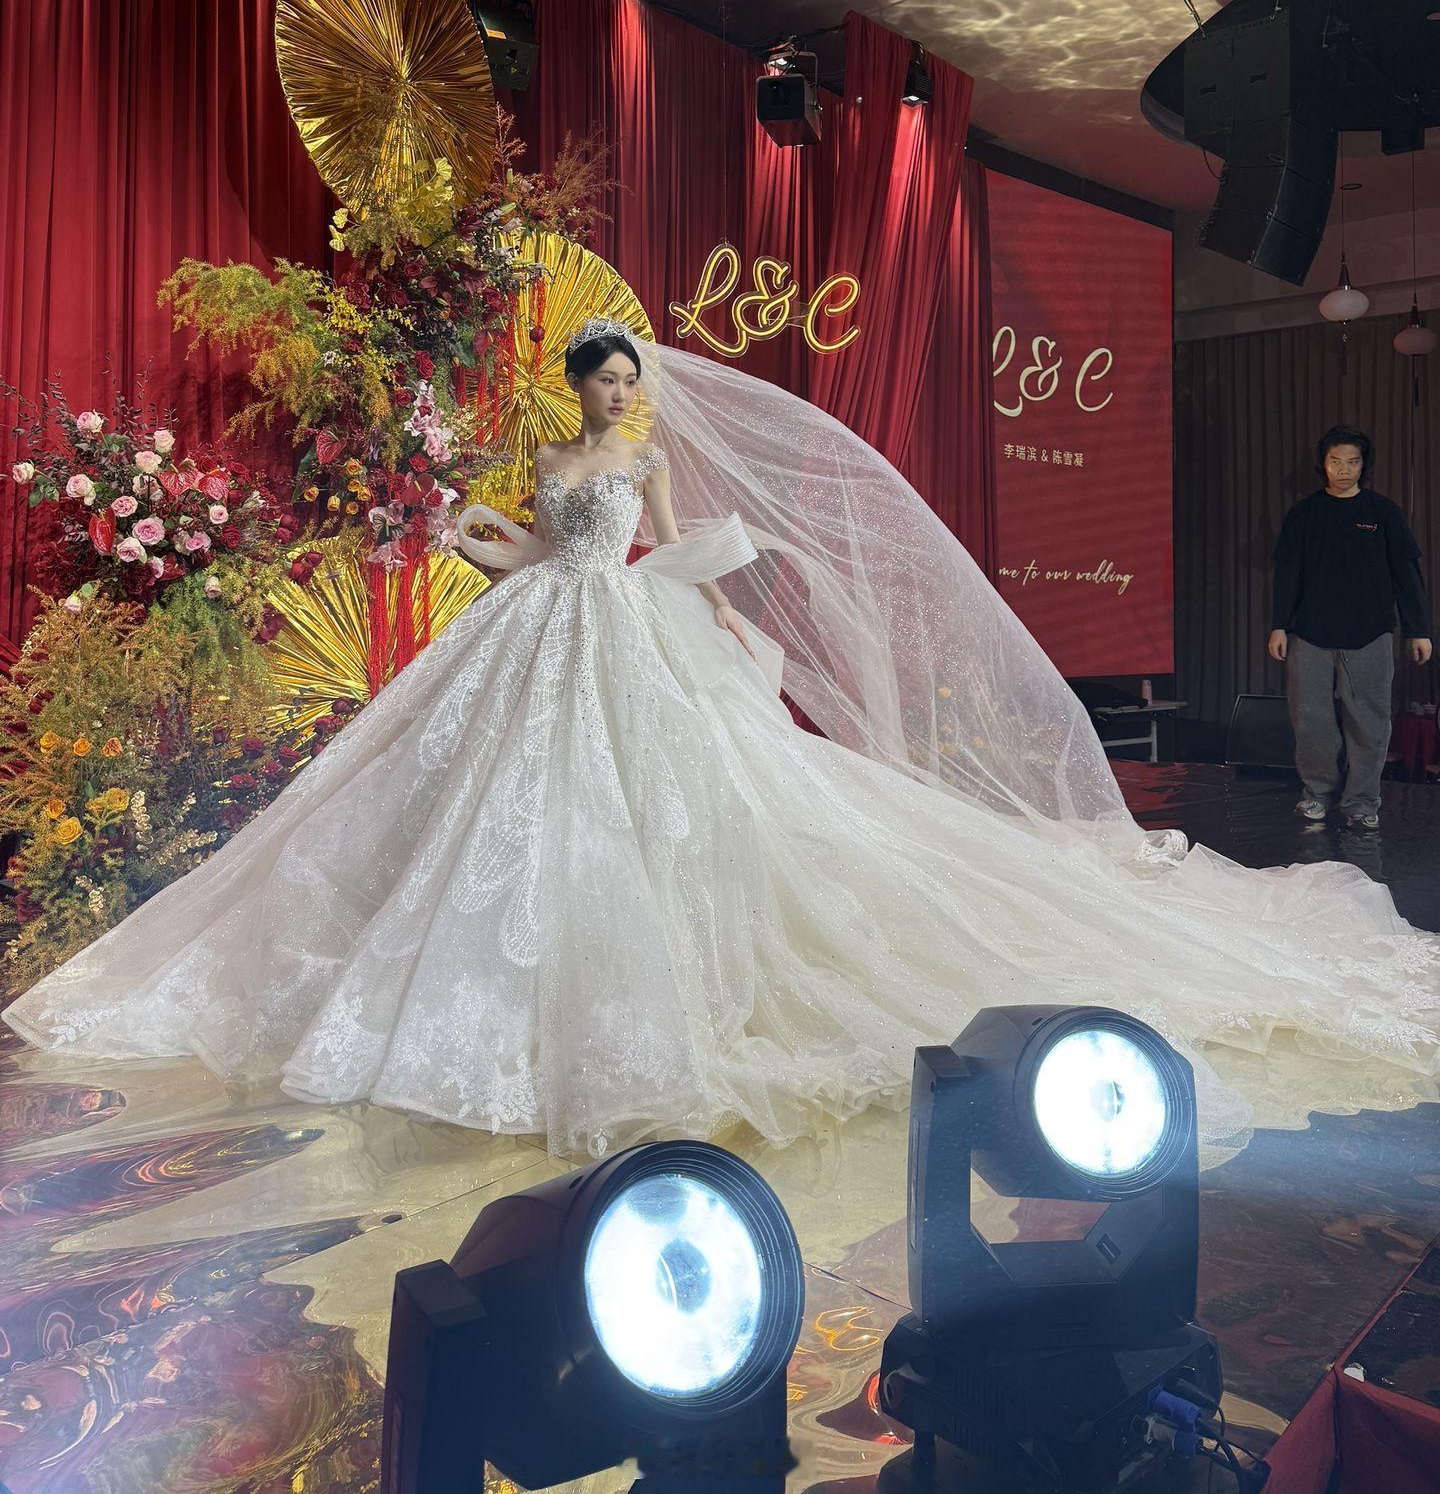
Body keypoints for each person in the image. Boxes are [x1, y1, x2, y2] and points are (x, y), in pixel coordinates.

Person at [6, 323, 1437, 1161]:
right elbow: (548, 555)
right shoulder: (553, 461)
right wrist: (477, 535)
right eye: (605, 378)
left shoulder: (645, 461)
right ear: (578, 383)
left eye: (629, 378)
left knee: (662, 805)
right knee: (479, 795)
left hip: (623, 631)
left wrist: (714, 611)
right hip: (541, 622)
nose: (618, 392)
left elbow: (666, 551)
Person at [1269, 425, 1433, 829]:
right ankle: (1316, 794)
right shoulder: (1304, 514)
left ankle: (1362, 803)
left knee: (1369, 722)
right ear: (1322, 464)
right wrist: (1279, 626)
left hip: (1370, 633)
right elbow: (1287, 574)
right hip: (1310, 634)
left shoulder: (1382, 513)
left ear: (1364, 465)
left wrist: (1419, 629)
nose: (1344, 469)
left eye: (1353, 462)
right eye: (1336, 461)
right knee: (1311, 721)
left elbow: (1406, 574)